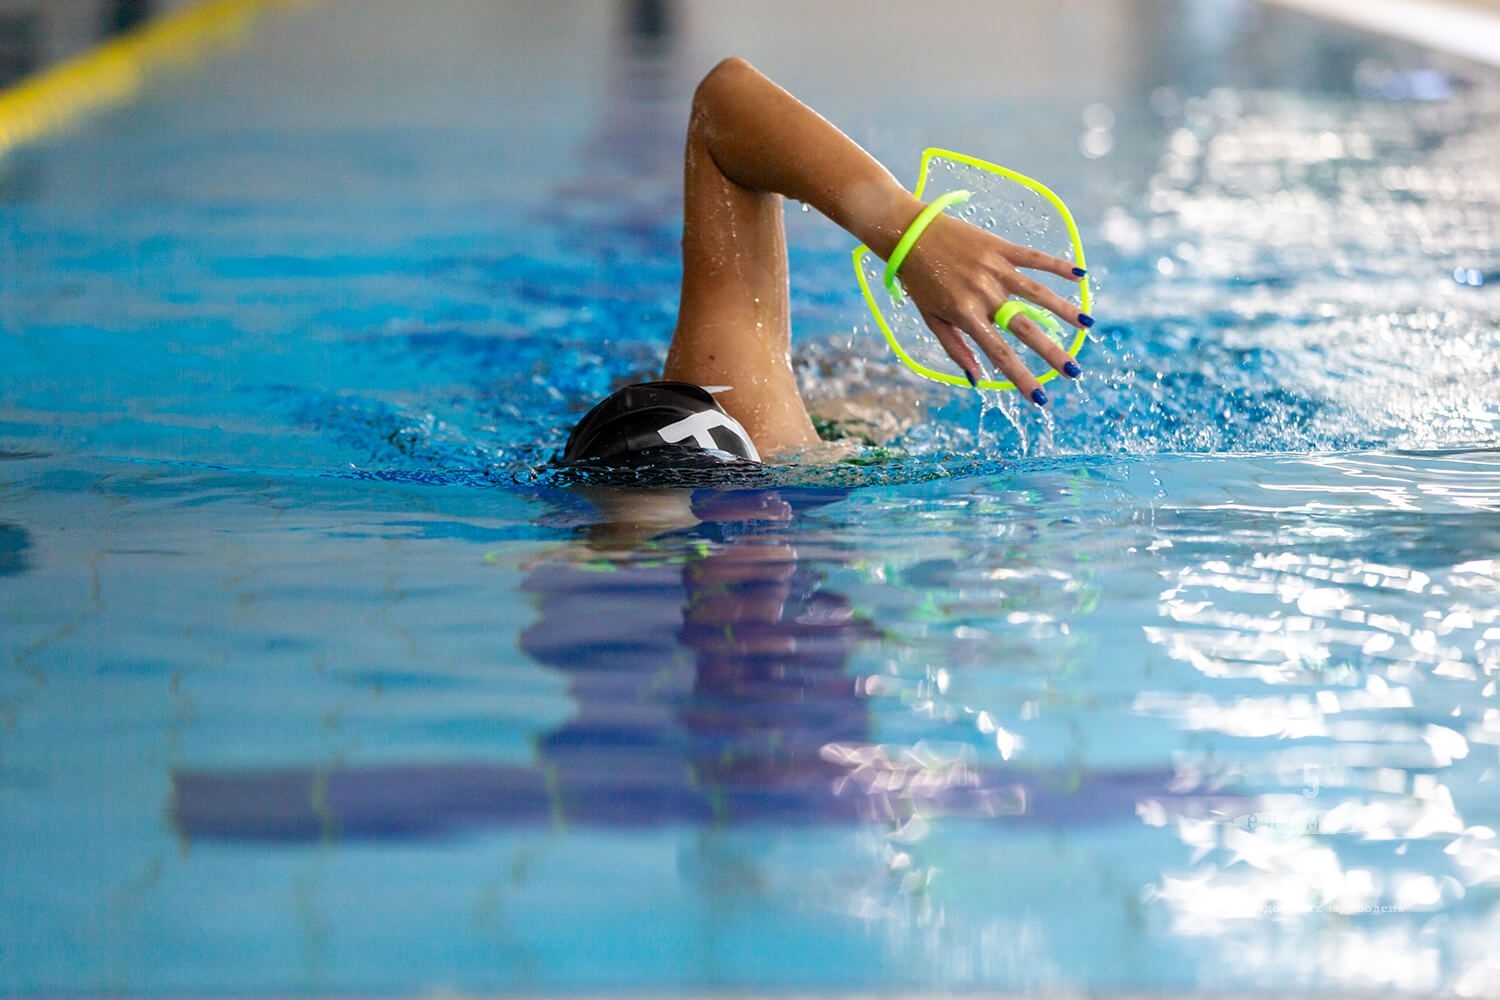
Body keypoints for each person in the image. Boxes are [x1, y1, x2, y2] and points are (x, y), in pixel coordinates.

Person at [563, 57, 1092, 470]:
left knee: (869, 401)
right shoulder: (759, 447)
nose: (750, 563)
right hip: (791, 433)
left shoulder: (741, 416)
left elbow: (725, 99)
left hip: (766, 410)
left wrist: (911, 231)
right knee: (873, 410)